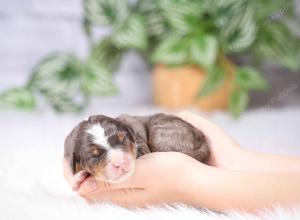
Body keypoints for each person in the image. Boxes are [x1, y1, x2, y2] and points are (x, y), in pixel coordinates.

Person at [63, 111, 300, 213]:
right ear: (78, 162)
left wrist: (189, 181)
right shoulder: (77, 154)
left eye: (122, 141)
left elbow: (142, 151)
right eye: (96, 155)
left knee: (161, 140)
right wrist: (237, 160)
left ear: (127, 132)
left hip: (173, 134)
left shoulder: (139, 135)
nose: (119, 160)